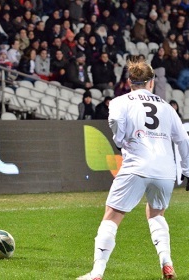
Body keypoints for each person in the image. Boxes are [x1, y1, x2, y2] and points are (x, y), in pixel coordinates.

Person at [77, 60, 189, 280]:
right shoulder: (166, 106)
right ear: (151, 82)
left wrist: (120, 139)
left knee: (112, 216)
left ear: (129, 82)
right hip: (165, 171)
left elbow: (117, 122)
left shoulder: (120, 101)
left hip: (137, 165)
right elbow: (183, 139)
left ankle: (97, 273)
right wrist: (187, 169)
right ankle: (166, 262)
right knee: (156, 213)